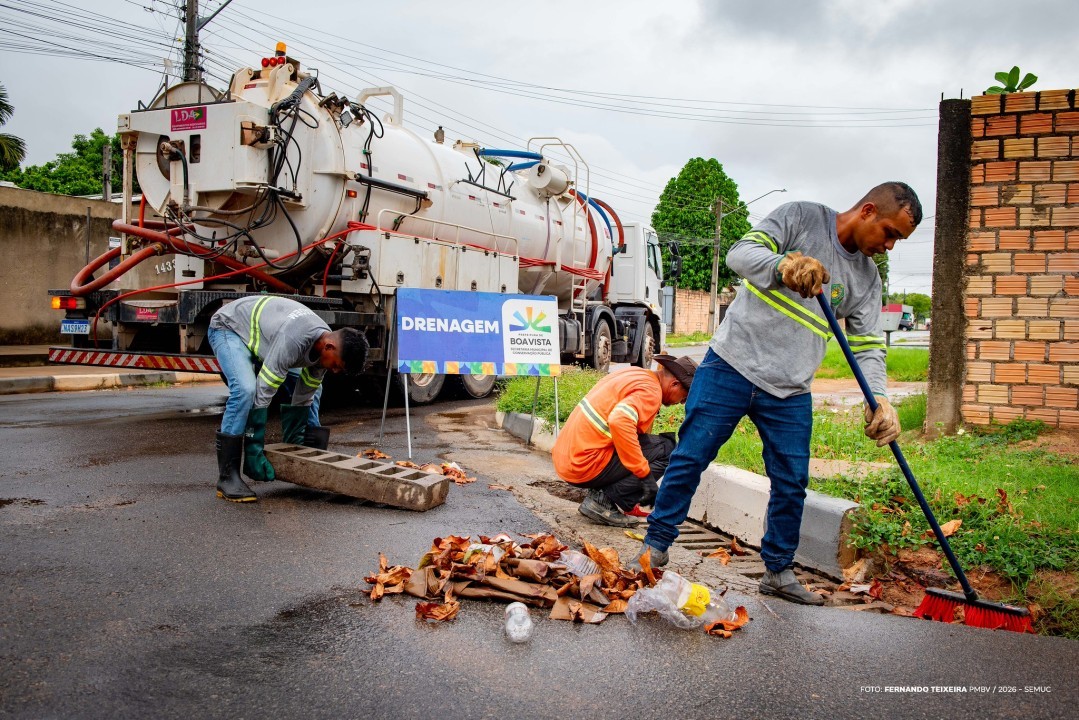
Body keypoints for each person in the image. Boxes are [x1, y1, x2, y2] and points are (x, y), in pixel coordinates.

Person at [635, 182, 922, 605]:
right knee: (690, 457)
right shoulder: (801, 217)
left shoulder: (866, 279)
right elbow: (739, 254)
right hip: (731, 365)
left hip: (789, 390)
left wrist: (877, 397)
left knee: (791, 483)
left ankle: (778, 571)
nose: (890, 247)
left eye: (898, 239)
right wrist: (782, 265)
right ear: (866, 211)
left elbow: (866, 347)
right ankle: (653, 549)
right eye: (890, 233)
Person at [207, 295, 368, 503]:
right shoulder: (294, 340)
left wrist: (295, 446)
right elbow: (263, 392)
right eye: (337, 365)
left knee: (315, 390)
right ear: (329, 347)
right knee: (246, 391)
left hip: (268, 340)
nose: (335, 371)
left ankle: (307, 450)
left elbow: (305, 393)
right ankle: (228, 477)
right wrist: (254, 448)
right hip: (230, 328)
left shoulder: (323, 344)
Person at [552, 353, 698, 527]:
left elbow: (635, 435)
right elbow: (620, 420)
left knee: (650, 444)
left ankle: (609, 494)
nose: (682, 403)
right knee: (668, 449)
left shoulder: (637, 375)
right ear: (674, 384)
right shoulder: (651, 392)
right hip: (583, 465)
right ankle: (602, 502)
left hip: (567, 457)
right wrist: (645, 477)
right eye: (685, 396)